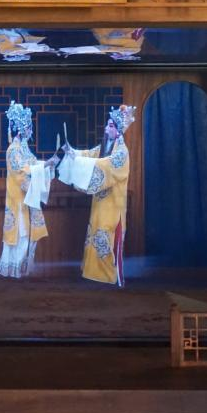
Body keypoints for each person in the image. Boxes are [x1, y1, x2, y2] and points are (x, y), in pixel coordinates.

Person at [58, 105, 135, 286]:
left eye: (110, 126)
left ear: (118, 130)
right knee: (95, 233)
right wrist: (72, 152)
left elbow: (105, 165)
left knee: (107, 235)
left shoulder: (121, 152)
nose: (106, 128)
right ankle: (94, 275)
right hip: (100, 202)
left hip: (113, 204)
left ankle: (110, 276)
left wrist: (82, 161)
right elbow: (90, 155)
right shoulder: (105, 146)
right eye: (107, 125)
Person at [0, 101, 58, 278]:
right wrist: (45, 165)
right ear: (21, 130)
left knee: (25, 236)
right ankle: (14, 271)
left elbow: (33, 163)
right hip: (18, 200)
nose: (31, 131)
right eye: (29, 127)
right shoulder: (13, 150)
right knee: (20, 235)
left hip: (25, 200)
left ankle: (21, 271)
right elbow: (22, 171)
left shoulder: (23, 149)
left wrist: (48, 164)